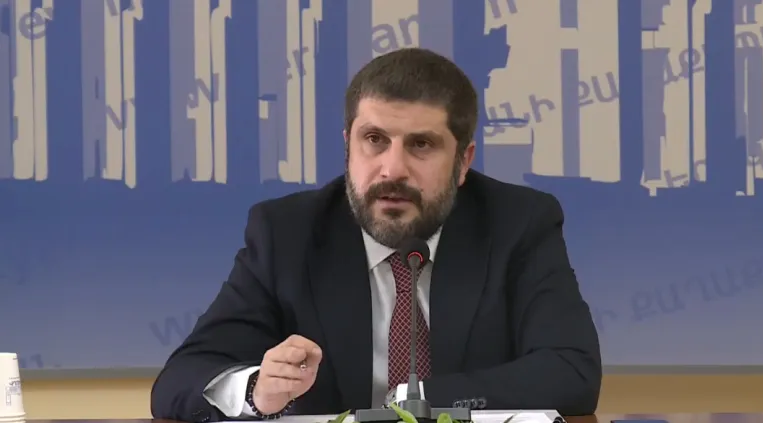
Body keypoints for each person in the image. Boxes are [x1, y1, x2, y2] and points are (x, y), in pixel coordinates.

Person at [150, 47, 602, 422]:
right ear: (348, 146)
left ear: (463, 162)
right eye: (374, 140)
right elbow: (180, 380)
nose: (392, 169)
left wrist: (415, 403)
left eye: (421, 144)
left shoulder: (518, 223)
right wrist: (256, 390)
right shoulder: (286, 233)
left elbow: (572, 371)